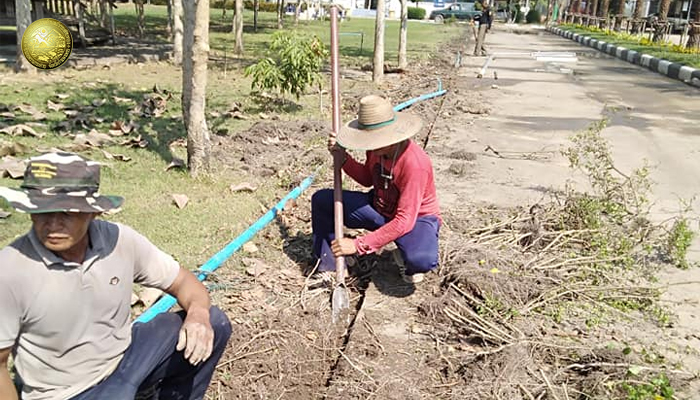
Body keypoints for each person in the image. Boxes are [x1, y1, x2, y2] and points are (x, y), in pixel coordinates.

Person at [0, 152, 232, 400]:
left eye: (67, 213)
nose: (53, 224)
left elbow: (184, 282)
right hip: (70, 392)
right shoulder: (12, 271)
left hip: (125, 359)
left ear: (93, 213)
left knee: (214, 323)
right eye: (42, 212)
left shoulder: (119, 241)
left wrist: (198, 315)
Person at [311, 95, 441, 284]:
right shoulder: (377, 148)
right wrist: (343, 158)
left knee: (421, 259)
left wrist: (358, 245)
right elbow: (366, 179)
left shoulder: (414, 164)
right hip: (380, 208)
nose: (370, 144)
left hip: (416, 219)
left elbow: (404, 220)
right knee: (322, 201)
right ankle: (331, 266)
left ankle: (405, 255)